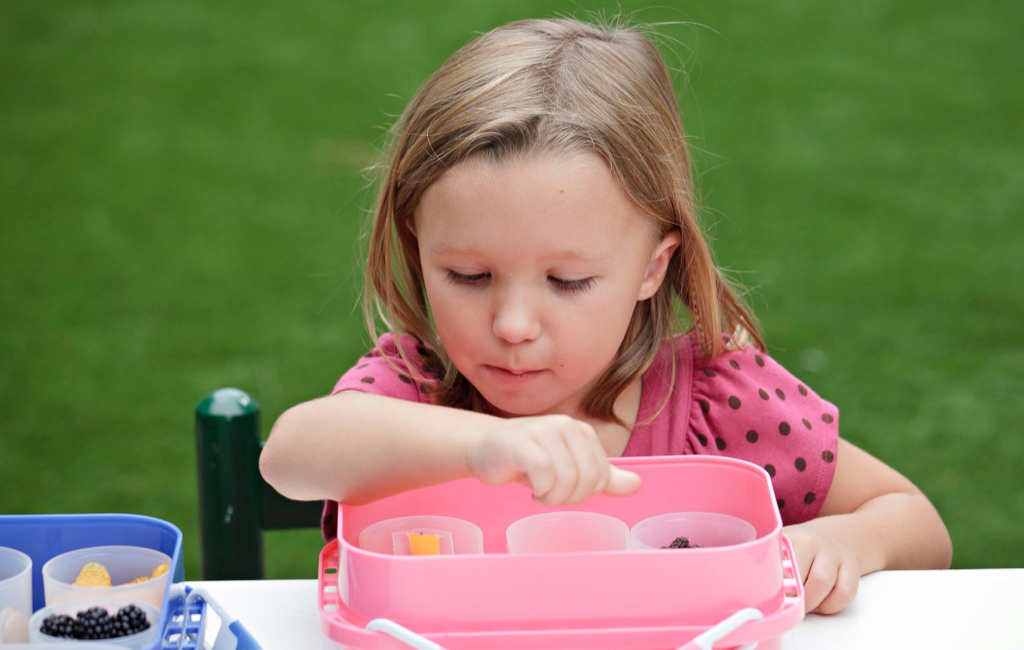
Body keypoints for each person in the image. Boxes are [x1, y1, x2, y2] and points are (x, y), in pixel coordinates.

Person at [260, 16, 952, 615]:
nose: (513, 324)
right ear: (418, 245)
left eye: (567, 281)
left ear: (652, 267)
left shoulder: (719, 399)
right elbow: (292, 454)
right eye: (468, 276)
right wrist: (478, 446)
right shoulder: (416, 389)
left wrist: (842, 542)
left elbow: (916, 523)